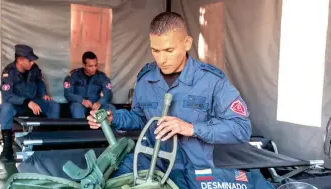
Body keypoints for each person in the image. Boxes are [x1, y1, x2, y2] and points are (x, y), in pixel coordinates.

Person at [87, 11, 251, 176]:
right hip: (152, 170)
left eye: (169, 50)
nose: (161, 60)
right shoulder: (146, 79)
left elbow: (241, 129)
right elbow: (141, 118)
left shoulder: (211, 81)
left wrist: (191, 128)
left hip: (193, 174)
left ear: (187, 43)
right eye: (155, 51)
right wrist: (112, 119)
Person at [0, 44, 60, 162]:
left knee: (54, 105)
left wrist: (43, 94)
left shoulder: (35, 68)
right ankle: (7, 149)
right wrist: (27, 102)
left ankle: (49, 142)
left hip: (34, 102)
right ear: (20, 60)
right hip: (18, 105)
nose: (32, 62)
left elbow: (39, 82)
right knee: (5, 108)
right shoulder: (9, 72)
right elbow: (7, 95)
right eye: (29, 60)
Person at [64, 51, 115, 118]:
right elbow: (67, 94)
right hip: (79, 104)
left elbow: (108, 94)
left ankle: (106, 128)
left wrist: (99, 103)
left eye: (96, 65)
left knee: (110, 108)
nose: (94, 68)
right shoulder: (73, 76)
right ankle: (81, 128)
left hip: (96, 105)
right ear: (84, 65)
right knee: (76, 108)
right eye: (90, 66)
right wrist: (82, 100)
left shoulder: (102, 77)